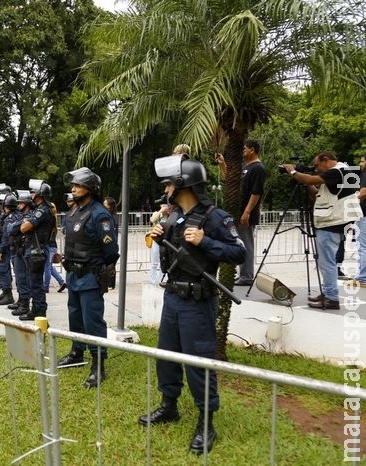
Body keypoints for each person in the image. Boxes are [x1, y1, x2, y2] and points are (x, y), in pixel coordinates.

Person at [139, 156, 246, 454]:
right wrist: (161, 238)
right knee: (167, 356)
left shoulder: (214, 217)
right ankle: (169, 405)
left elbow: (239, 252)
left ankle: (205, 422)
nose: (167, 189)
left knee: (198, 362)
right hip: (172, 298)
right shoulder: (173, 215)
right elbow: (176, 256)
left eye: (170, 183)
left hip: (198, 302)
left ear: (184, 184)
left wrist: (205, 241)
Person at [56, 168, 119, 388]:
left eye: (78, 186)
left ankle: (98, 364)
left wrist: (99, 269)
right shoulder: (74, 212)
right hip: (73, 275)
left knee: (93, 321)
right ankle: (77, 352)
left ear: (90, 189)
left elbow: (111, 250)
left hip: (90, 278)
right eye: (73, 185)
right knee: (75, 317)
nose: (73, 189)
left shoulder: (100, 214)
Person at [282, 151, 361, 310]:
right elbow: (319, 196)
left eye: (317, 165)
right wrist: (307, 184)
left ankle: (331, 297)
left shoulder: (338, 170)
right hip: (337, 221)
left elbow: (310, 178)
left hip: (332, 223)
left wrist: (292, 171)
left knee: (327, 262)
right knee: (326, 261)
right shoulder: (343, 172)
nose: (316, 169)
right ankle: (327, 293)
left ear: (326, 160)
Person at [216, 139, 267, 285]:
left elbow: (256, 192)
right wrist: (222, 164)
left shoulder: (258, 168)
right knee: (239, 242)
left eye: (244, 148)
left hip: (246, 213)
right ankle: (243, 273)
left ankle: (247, 276)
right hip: (238, 212)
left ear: (252, 150)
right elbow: (233, 182)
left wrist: (247, 212)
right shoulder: (246, 167)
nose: (242, 151)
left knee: (246, 243)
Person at [14, 179, 55, 321]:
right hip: (33, 249)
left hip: (37, 250)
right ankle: (35, 310)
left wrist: (25, 224)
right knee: (33, 283)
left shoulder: (42, 210)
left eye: (32, 192)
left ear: (39, 194)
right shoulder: (39, 209)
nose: (31, 194)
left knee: (36, 284)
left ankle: (40, 313)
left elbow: (24, 228)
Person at [345, 150, 366, 288]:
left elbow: (364, 193)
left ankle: (362, 279)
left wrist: (351, 201)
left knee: (364, 247)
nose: (360, 164)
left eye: (362, 161)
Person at [7, 191, 32, 315]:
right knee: (19, 277)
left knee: (23, 278)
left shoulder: (29, 215)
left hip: (24, 249)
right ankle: (22, 300)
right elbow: (9, 228)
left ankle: (25, 304)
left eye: (21, 203)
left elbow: (13, 228)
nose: (19, 205)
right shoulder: (21, 215)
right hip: (18, 248)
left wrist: (13, 226)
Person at [0, 194, 18, 306]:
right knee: (3, 270)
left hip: (5, 247)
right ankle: (5, 292)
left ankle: (8, 295)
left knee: (3, 270)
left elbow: (5, 236)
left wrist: (1, 251)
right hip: (7, 246)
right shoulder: (12, 216)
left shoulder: (9, 218)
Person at [43, 201, 67, 293]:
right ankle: (61, 282)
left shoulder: (50, 220)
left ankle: (45, 287)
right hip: (52, 246)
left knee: (47, 267)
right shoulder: (54, 220)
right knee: (49, 267)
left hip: (49, 246)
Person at [148, 196, 170, 284]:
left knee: (164, 261)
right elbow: (152, 220)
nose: (166, 207)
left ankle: (162, 280)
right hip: (157, 241)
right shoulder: (157, 214)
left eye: (167, 205)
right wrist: (161, 211)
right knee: (154, 262)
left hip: (166, 242)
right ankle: (153, 280)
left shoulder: (171, 215)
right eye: (164, 205)